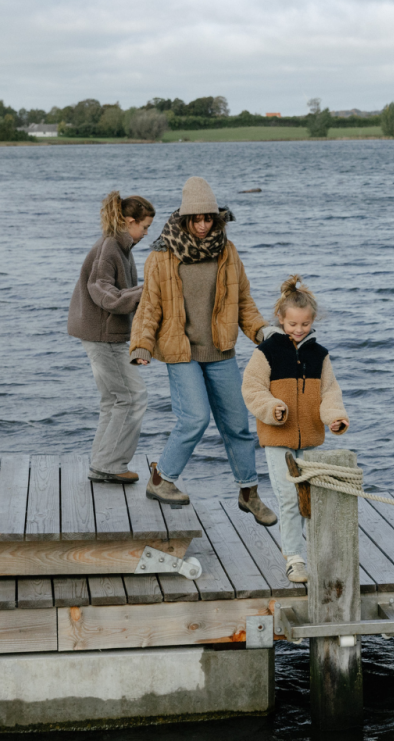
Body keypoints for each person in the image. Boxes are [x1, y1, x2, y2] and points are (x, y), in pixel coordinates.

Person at [128, 176, 279, 525]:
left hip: (221, 351)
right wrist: (142, 346)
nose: (201, 225)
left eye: (208, 218)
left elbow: (243, 301)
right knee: (194, 418)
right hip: (181, 352)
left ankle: (248, 493)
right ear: (184, 219)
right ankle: (161, 480)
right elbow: (149, 306)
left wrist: (263, 331)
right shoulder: (161, 255)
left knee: (238, 425)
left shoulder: (227, 251)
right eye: (195, 219)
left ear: (216, 217)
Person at [240, 275, 349, 583]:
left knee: (310, 499)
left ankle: (313, 551)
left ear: (312, 321)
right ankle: (294, 559)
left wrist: (335, 417)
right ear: (281, 319)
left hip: (310, 440)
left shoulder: (319, 355)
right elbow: (252, 388)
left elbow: (330, 392)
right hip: (277, 438)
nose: (298, 330)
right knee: (289, 498)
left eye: (304, 324)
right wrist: (272, 408)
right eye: (292, 325)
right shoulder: (267, 351)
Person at [68, 190, 156, 483]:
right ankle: (111, 465)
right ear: (130, 221)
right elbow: (101, 289)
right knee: (133, 397)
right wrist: (146, 291)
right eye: (144, 227)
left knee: (113, 400)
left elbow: (114, 291)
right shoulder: (110, 247)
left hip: (103, 334)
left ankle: (102, 463)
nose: (145, 233)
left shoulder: (120, 247)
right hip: (103, 336)